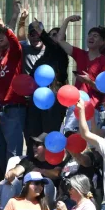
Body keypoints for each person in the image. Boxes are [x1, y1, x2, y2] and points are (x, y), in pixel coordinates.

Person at [23, 18, 68, 157]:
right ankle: (31, 165)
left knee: (49, 136)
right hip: (37, 101)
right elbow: (31, 78)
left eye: (57, 35)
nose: (53, 37)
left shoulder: (61, 55)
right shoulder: (42, 59)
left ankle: (51, 168)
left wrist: (41, 32)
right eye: (52, 34)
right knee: (32, 135)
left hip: (53, 102)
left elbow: (52, 44)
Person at [0, 20, 26, 170]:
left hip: (14, 108)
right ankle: (2, 181)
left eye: (3, 36)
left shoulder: (14, 53)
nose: (0, 38)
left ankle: (12, 183)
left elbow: (14, 41)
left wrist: (5, 28)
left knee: (13, 151)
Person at [58, 16, 105, 112]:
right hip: (75, 104)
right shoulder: (80, 54)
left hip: (93, 109)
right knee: (68, 128)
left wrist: (89, 82)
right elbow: (60, 40)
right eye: (89, 35)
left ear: (102, 42)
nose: (91, 37)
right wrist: (67, 20)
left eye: (95, 36)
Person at [4, 132, 60, 209]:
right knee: (9, 182)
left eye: (37, 144)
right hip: (25, 194)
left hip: (45, 198)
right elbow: (17, 171)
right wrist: (11, 173)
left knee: (47, 181)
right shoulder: (29, 160)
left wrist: (40, 171)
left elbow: (57, 174)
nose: (34, 147)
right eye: (33, 144)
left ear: (47, 147)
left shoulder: (55, 160)